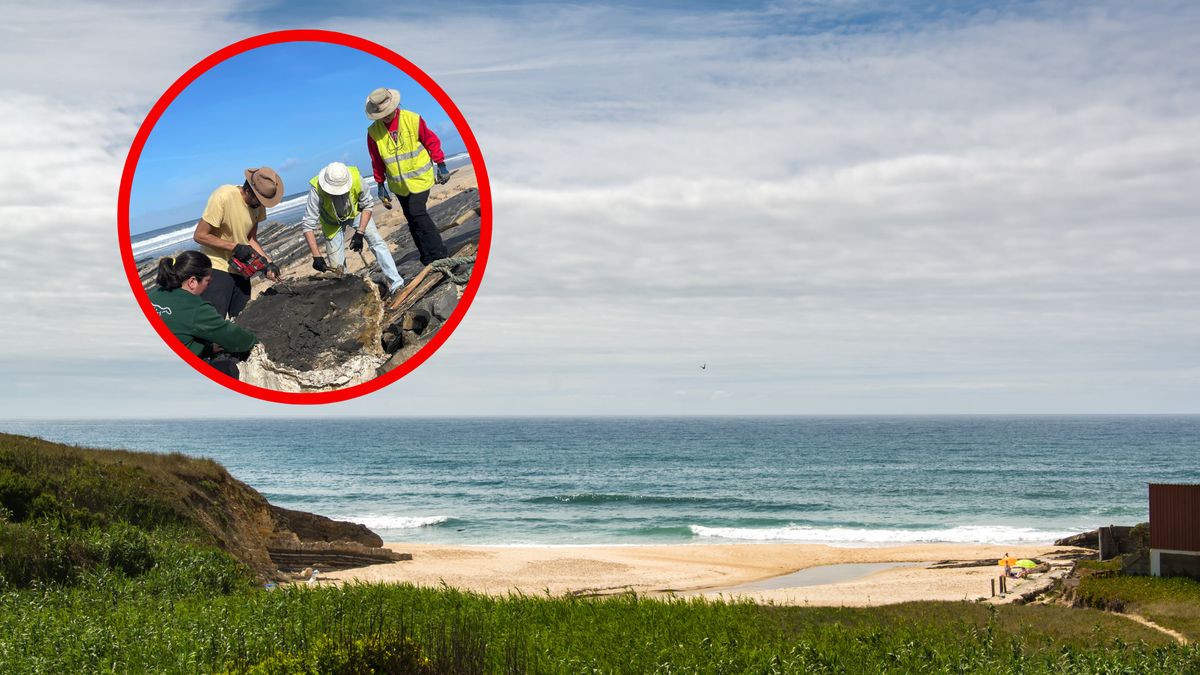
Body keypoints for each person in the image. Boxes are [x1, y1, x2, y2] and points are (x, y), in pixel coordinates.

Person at [364, 87, 451, 266]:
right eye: (381, 114)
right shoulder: (373, 133)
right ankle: (426, 257)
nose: (386, 116)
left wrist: (441, 164)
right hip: (399, 185)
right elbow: (377, 160)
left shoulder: (412, 119)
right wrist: (381, 186)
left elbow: (431, 141)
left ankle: (440, 254)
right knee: (411, 219)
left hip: (420, 177)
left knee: (418, 213)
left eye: (387, 112)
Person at [147, 251, 259, 380]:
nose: (209, 284)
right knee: (228, 369)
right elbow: (232, 336)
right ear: (192, 281)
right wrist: (255, 342)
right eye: (207, 280)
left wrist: (208, 348)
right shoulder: (195, 307)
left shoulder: (154, 293)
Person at [192, 167, 284, 319]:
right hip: (216, 268)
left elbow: (250, 239)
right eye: (260, 201)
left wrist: (268, 263)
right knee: (213, 322)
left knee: (244, 318)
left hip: (241, 270)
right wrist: (234, 247)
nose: (262, 205)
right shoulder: (224, 196)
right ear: (248, 190)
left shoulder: (258, 205)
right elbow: (199, 235)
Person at [301, 161, 405, 295]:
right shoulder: (316, 188)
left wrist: (360, 233)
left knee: (377, 242)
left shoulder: (356, 178)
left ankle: (396, 282)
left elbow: (368, 204)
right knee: (337, 268)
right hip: (331, 222)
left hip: (356, 213)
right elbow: (308, 224)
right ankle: (350, 294)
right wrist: (317, 256)